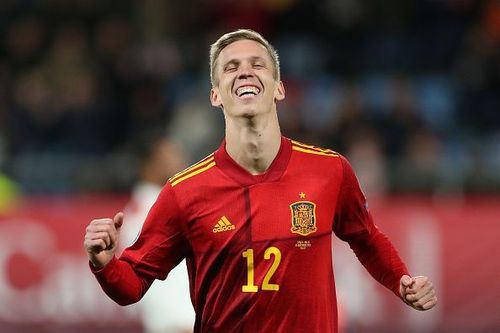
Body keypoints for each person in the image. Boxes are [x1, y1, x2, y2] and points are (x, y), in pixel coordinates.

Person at [84, 29, 437, 333]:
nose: (245, 72)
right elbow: (132, 286)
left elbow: (366, 238)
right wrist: (104, 263)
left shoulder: (329, 170)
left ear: (279, 88)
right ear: (216, 95)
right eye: (231, 67)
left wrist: (400, 281)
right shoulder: (184, 192)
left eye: (257, 64)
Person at [119, 132, 194, 333]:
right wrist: (181, 323)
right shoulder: (143, 214)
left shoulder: (171, 203)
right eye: (169, 155)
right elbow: (152, 281)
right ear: (148, 165)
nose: (179, 160)